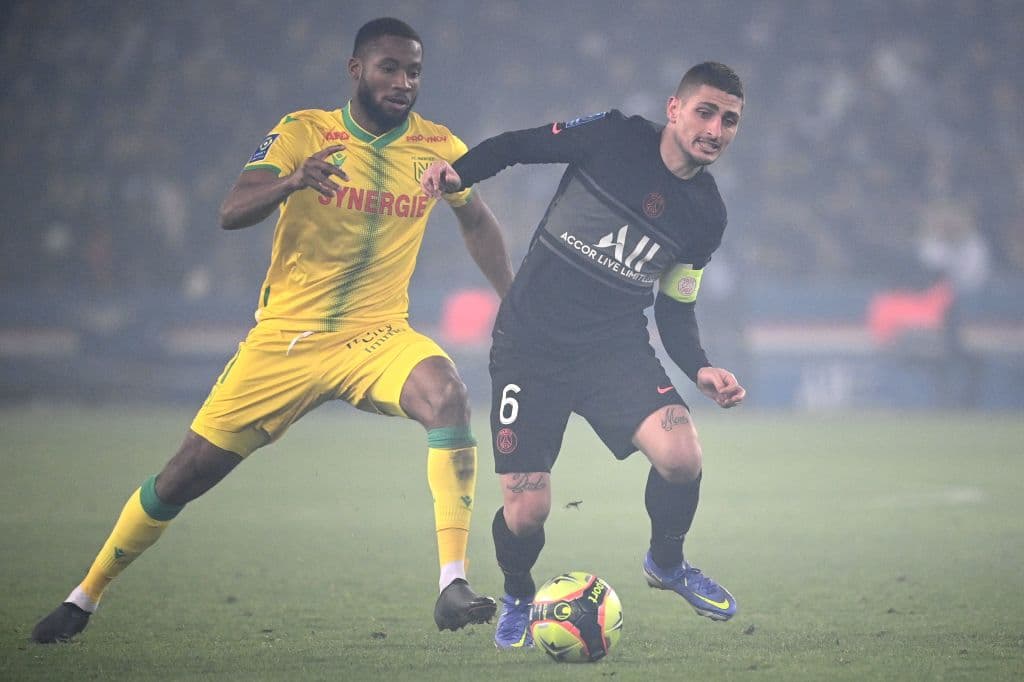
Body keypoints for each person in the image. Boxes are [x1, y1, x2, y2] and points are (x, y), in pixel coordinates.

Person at [32, 17, 513, 644]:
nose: (404, 82)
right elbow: (231, 210)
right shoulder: (303, 131)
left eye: (414, 71)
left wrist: (513, 297)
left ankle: (452, 583)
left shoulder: (440, 147)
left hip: (376, 335)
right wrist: (291, 182)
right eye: (389, 68)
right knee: (183, 477)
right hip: (287, 340)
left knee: (448, 393)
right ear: (356, 70)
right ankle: (83, 596)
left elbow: (477, 220)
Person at [421, 62, 747, 649]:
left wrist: (699, 366)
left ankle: (667, 563)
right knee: (527, 512)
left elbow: (675, 306)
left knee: (681, 453)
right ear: (674, 109)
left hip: (612, 349)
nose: (716, 129)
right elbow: (519, 146)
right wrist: (458, 172)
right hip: (531, 346)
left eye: (730, 120)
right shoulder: (615, 135)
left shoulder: (706, 216)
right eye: (705, 111)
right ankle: (518, 591)